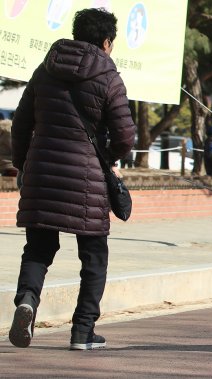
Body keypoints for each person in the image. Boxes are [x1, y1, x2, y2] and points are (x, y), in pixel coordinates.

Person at [9, 8, 136, 350]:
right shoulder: (109, 77)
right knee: (94, 258)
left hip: (41, 174)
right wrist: (104, 160)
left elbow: (20, 123)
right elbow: (125, 136)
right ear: (107, 42)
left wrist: (24, 165)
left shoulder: (46, 68)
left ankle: (27, 302)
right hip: (87, 179)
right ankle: (82, 332)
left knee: (37, 250)